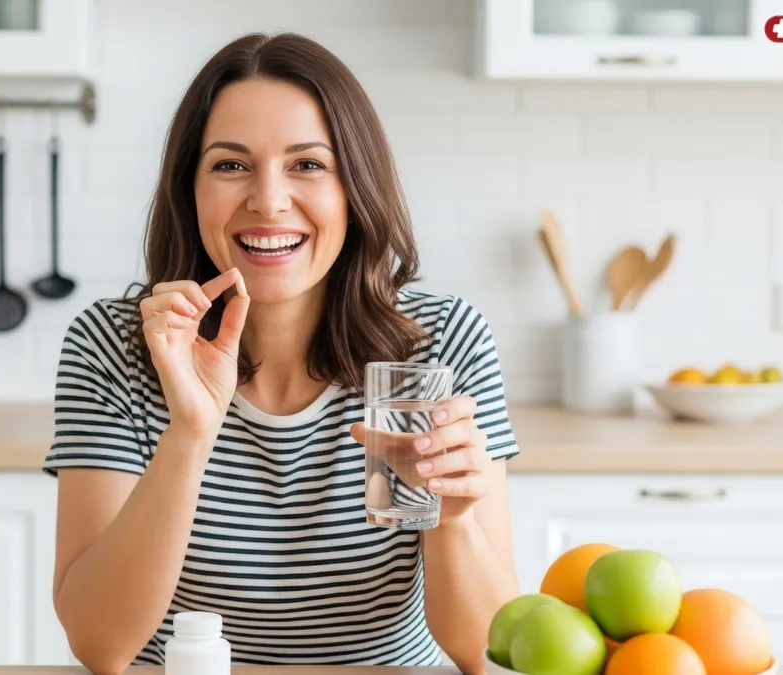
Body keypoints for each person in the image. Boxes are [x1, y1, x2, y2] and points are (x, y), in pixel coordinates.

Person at [43, 31, 521, 675]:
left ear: (355, 188)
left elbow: (486, 650)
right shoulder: (115, 347)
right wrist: (190, 432)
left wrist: (454, 520)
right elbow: (100, 646)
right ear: (189, 188)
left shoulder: (439, 344)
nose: (268, 201)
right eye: (230, 165)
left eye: (308, 165)